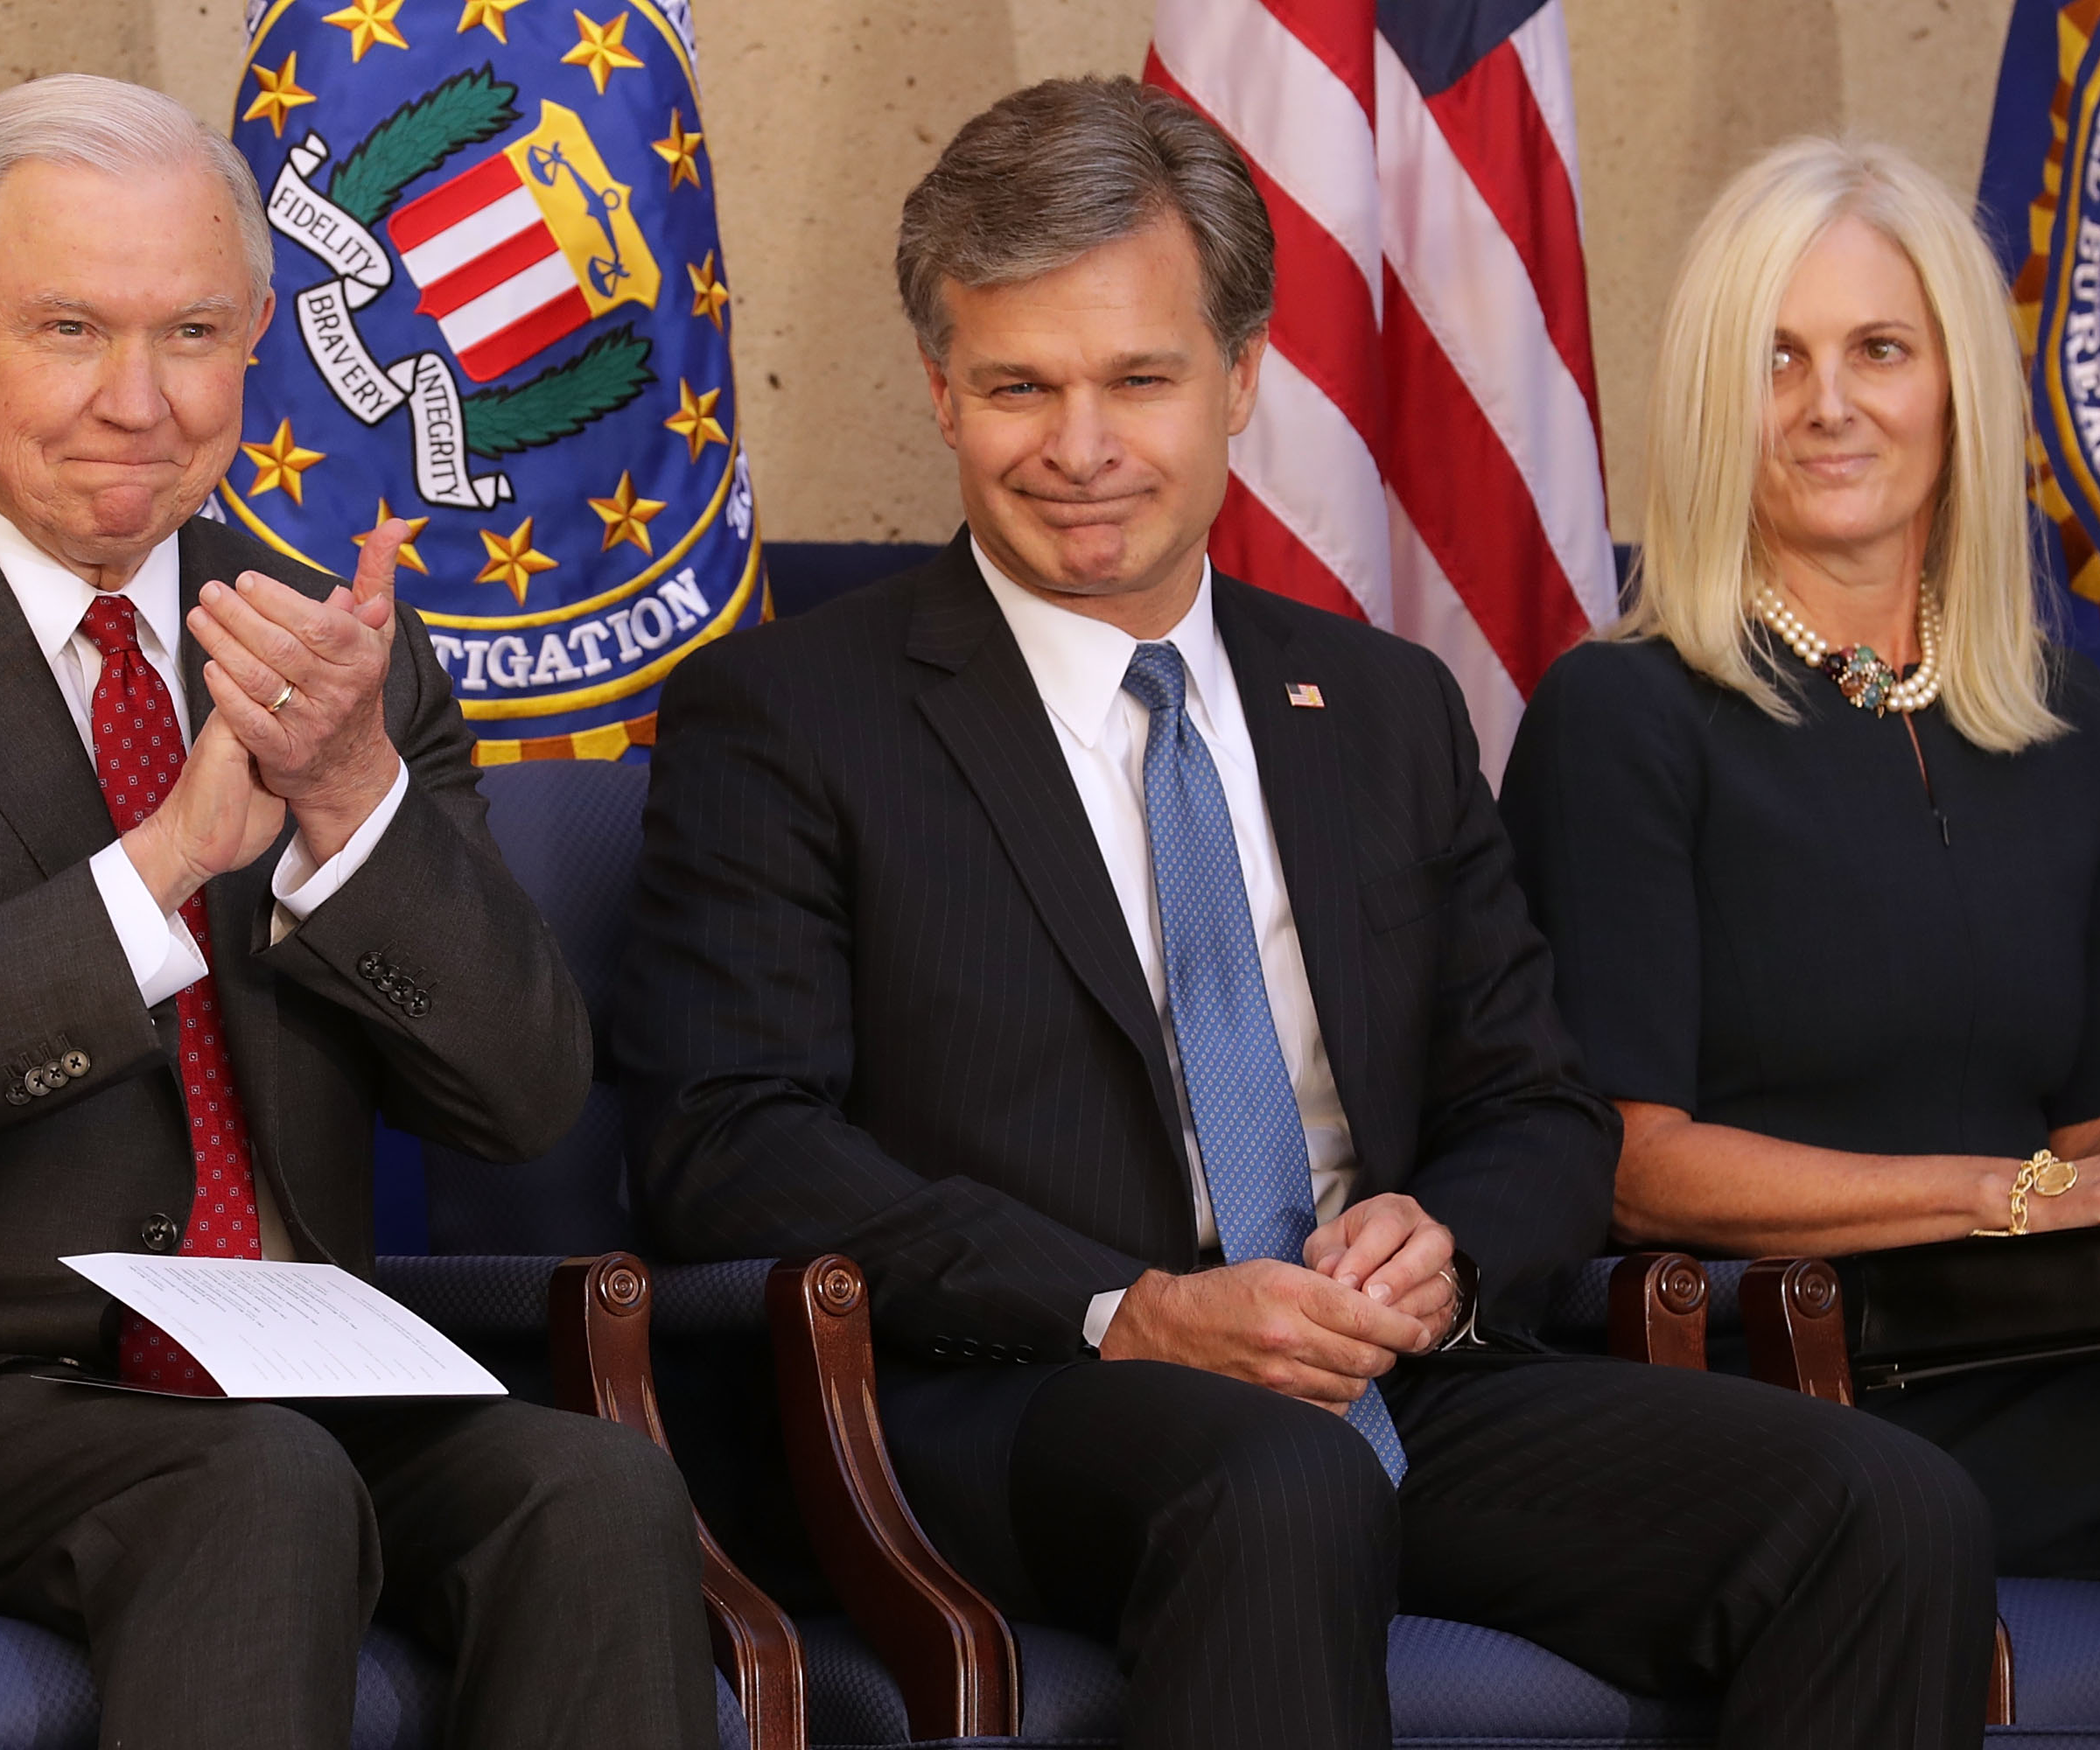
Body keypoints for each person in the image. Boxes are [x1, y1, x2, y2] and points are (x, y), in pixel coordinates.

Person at [622, 78, 1996, 1750]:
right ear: (939, 391)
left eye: (1139, 378)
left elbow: (1537, 1107)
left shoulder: (1384, 706)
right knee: (1276, 1486)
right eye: (1017, 387)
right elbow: (730, 1139)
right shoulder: (788, 714)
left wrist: (1448, 1244)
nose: (1080, 446)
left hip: (1383, 1372)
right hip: (1006, 1396)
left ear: (1244, 378)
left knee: (1886, 1508)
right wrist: (1125, 1307)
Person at [0, 76, 716, 1749]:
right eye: (66, 329)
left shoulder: (338, 652)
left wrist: (351, 810)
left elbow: (524, 1098)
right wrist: (169, 859)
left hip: (289, 1369)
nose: (136, 400)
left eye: (190, 331)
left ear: (260, 335)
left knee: (599, 1492)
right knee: (254, 1487)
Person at [1499, 136, 2100, 1672]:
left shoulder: (2072, 725)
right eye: (1778, 358)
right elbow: (1627, 1167)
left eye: (1879, 350)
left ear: (1955, 383)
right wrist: (2016, 1198)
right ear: (1714, 402)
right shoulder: (1618, 716)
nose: (1832, 405)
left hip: (2041, 1333)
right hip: (1788, 1364)